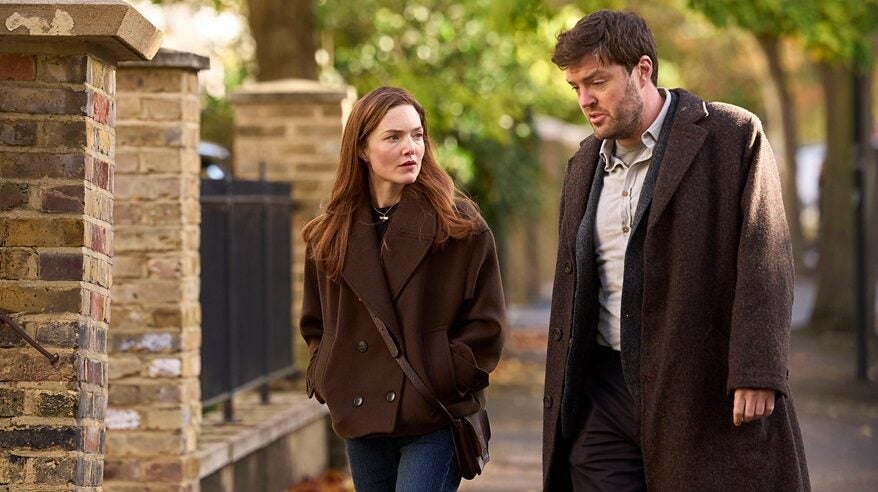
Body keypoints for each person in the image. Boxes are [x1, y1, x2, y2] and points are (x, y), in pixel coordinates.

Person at [542, 10, 810, 491]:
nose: (585, 99)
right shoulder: (584, 162)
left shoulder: (731, 136)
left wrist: (758, 367)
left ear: (643, 70)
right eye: (576, 87)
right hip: (602, 390)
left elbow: (764, 253)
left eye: (597, 82)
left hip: (697, 386)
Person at [300, 87, 505, 491]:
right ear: (362, 149)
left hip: (432, 411)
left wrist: (444, 372)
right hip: (360, 414)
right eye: (393, 137)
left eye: (417, 135)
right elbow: (316, 325)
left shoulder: (459, 226)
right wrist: (327, 375)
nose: (411, 147)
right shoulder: (329, 235)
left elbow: (487, 327)